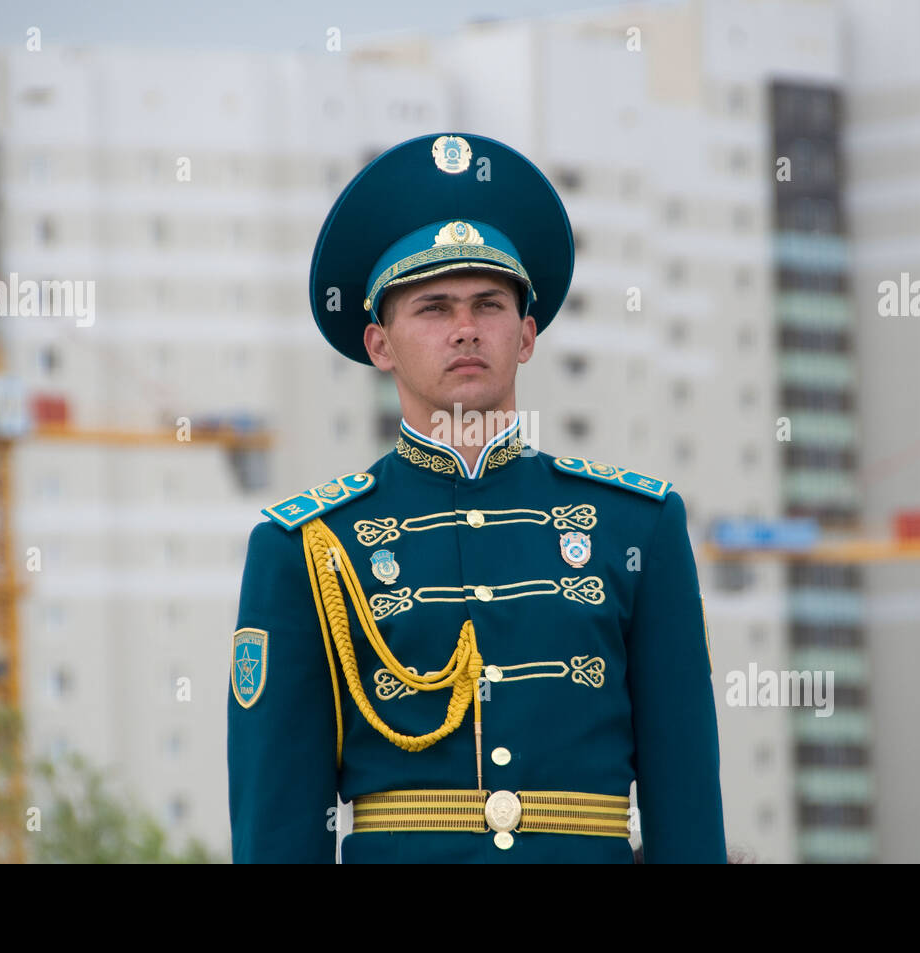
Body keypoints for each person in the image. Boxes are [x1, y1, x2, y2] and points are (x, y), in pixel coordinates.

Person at [227, 132, 726, 863]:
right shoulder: (304, 546)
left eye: (488, 304)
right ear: (380, 343)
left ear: (526, 335)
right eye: (432, 307)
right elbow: (277, 824)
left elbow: (686, 800)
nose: (465, 328)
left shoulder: (640, 525)